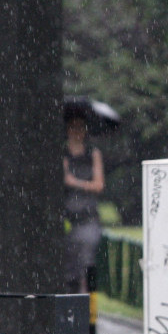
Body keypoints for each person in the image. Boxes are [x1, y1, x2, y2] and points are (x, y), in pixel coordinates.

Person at [62, 114, 105, 294]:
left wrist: (76, 183)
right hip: (68, 219)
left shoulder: (92, 154)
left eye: (81, 128)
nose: (77, 132)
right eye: (73, 128)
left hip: (87, 218)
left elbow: (99, 184)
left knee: (87, 264)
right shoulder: (63, 154)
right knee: (69, 269)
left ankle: (89, 309)